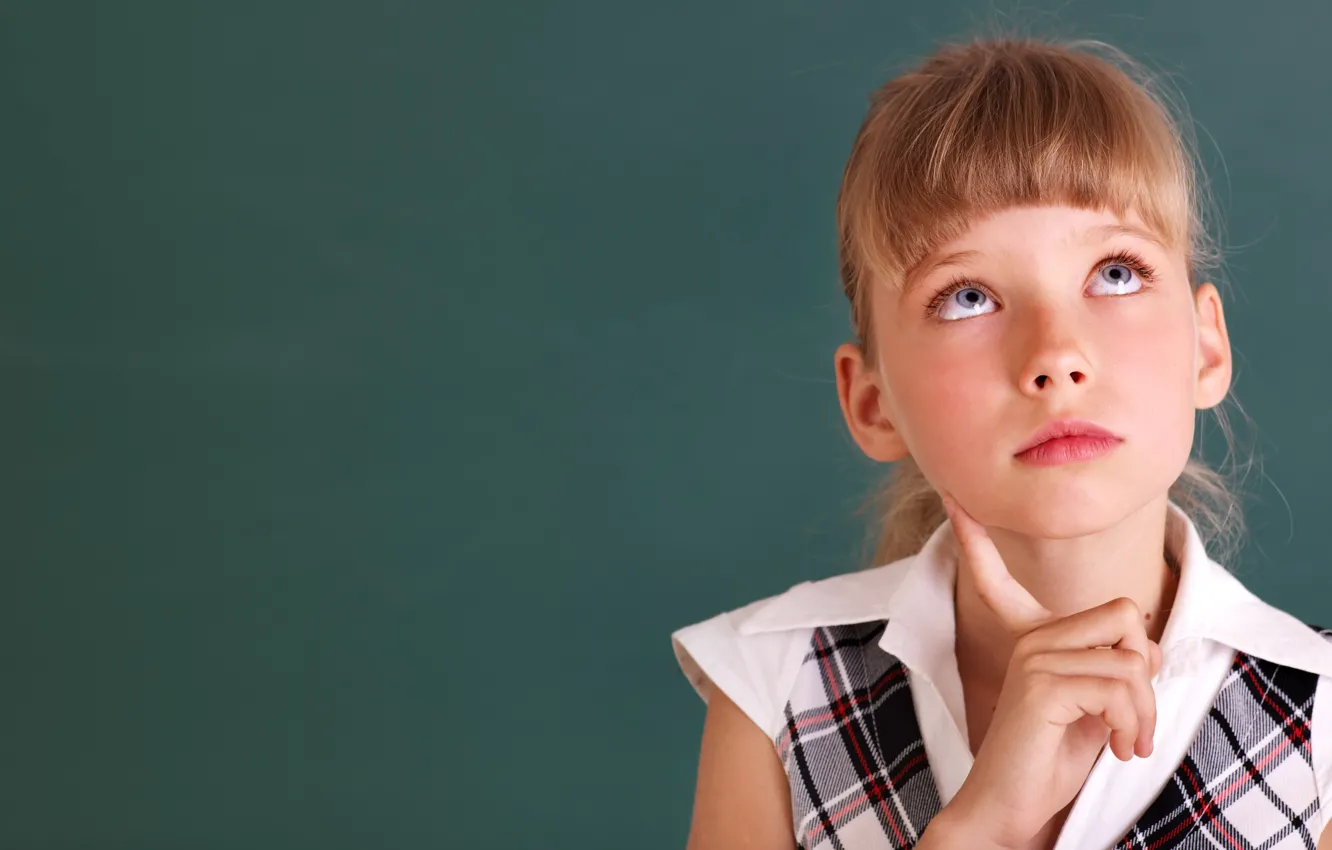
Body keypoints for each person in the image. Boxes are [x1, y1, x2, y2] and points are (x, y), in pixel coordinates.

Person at [669, 36, 1332, 850]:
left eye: (1115, 273)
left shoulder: (1319, 719)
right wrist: (981, 829)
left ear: (1208, 347)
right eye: (968, 296)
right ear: (871, 402)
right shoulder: (777, 689)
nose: (1055, 354)